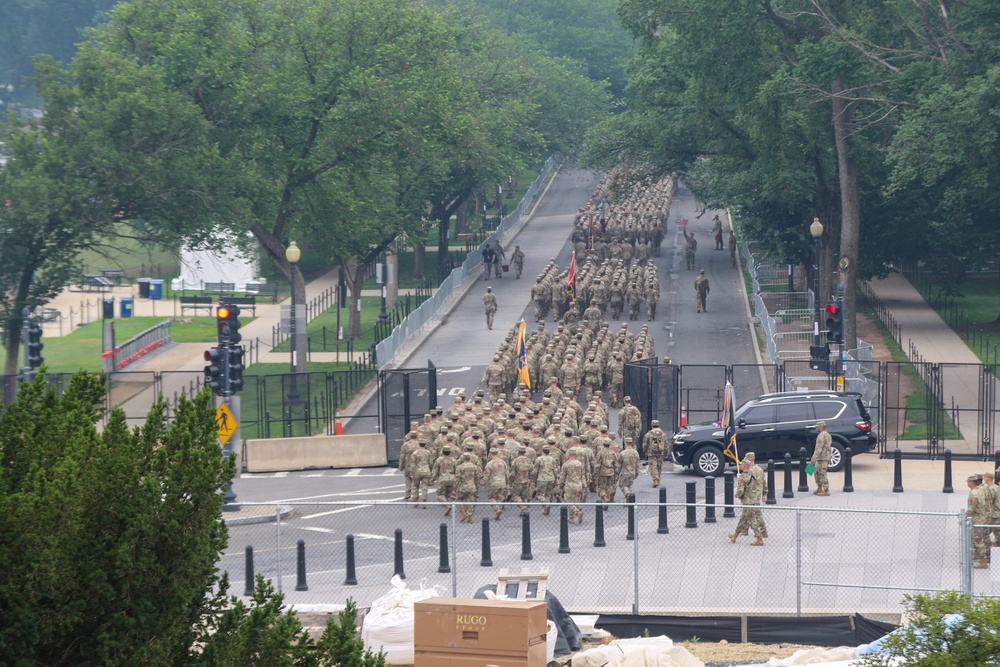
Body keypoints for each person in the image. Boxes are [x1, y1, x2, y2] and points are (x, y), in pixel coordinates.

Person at [731, 454, 768, 545]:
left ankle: (759, 537)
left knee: (752, 518)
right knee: (744, 518)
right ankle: (735, 535)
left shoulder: (744, 476)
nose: (740, 466)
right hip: (755, 497)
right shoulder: (756, 472)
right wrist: (764, 493)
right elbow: (763, 483)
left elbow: (740, 490)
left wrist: (737, 495)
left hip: (748, 500)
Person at [967, 474, 990, 568]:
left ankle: (983, 561)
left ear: (972, 483)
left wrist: (964, 517)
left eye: (968, 482)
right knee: (984, 538)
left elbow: (971, 508)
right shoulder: (980, 491)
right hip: (983, 518)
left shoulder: (974, 493)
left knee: (978, 540)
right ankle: (985, 556)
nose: (967, 483)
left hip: (977, 520)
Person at [560, 449, 587, 524]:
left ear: (569, 454)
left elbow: (562, 475)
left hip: (570, 485)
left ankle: (577, 512)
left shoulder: (566, 464)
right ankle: (571, 518)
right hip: (579, 484)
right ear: (575, 454)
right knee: (576, 500)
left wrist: (561, 484)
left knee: (568, 500)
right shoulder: (579, 463)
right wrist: (584, 486)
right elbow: (583, 475)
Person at [456, 452, 483, 523]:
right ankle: (470, 517)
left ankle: (463, 512)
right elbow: (477, 478)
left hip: (462, 487)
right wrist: (476, 487)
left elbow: (457, 479)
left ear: (463, 458)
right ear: (469, 458)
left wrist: (455, 488)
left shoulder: (460, 467)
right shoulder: (474, 466)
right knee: (470, 501)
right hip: (472, 486)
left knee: (457, 500)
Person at [431, 446, 458, 516]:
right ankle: (448, 509)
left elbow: (435, 471)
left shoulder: (439, 460)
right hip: (452, 479)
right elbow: (457, 471)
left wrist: (432, 479)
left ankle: (447, 505)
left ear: (442, 452)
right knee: (449, 495)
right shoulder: (454, 460)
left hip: (442, 479)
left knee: (440, 495)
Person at [484, 448, 510, 520]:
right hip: (502, 483)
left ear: (490, 454)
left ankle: (497, 509)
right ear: (497, 454)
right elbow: (507, 474)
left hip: (494, 483)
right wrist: (507, 483)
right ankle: (499, 511)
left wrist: (484, 483)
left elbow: (487, 475)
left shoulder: (489, 464)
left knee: (491, 498)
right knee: (500, 497)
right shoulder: (503, 462)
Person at [642, 419, 668, 487]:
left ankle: (655, 479)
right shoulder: (663, 433)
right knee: (659, 466)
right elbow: (666, 444)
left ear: (652, 425)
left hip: (651, 452)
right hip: (660, 452)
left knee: (653, 466)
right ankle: (658, 479)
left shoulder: (649, 434)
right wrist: (666, 453)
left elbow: (645, 444)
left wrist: (645, 451)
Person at [811, 420, 832, 496]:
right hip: (823, 457)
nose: (816, 428)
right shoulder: (827, 435)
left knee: (822, 473)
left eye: (817, 427)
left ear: (821, 427)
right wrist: (829, 457)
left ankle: (826, 490)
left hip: (822, 457)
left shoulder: (822, 435)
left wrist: (813, 458)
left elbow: (819, 448)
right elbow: (829, 448)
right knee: (816, 472)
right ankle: (819, 487)